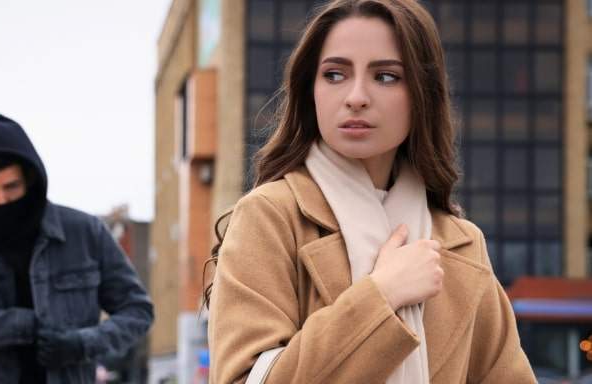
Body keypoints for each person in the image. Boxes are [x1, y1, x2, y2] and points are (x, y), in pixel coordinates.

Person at [205, 1, 536, 383]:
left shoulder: (461, 244)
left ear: (421, 94)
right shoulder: (269, 216)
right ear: (309, 91)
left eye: (385, 77)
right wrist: (381, 296)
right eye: (334, 74)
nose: (356, 96)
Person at [0, 114, 153, 383]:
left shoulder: (84, 232)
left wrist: (81, 344)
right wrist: (22, 325)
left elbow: (137, 311)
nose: (0, 199)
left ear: (29, 181)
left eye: (11, 187)